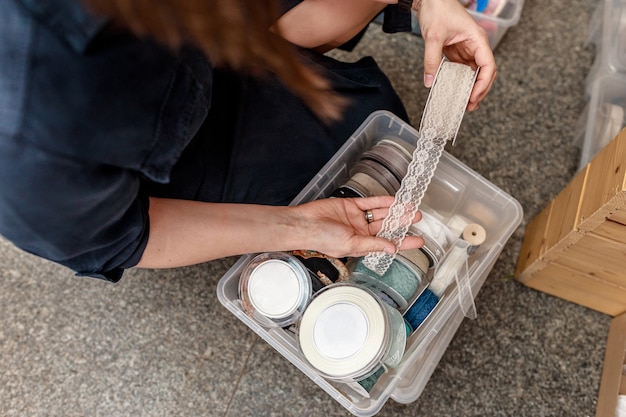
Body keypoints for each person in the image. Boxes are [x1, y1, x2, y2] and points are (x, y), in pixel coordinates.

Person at [0, 0, 496, 282]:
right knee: (346, 158)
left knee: (368, 116)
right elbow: (122, 234)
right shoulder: (27, 145)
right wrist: (293, 227)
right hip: (124, 153)